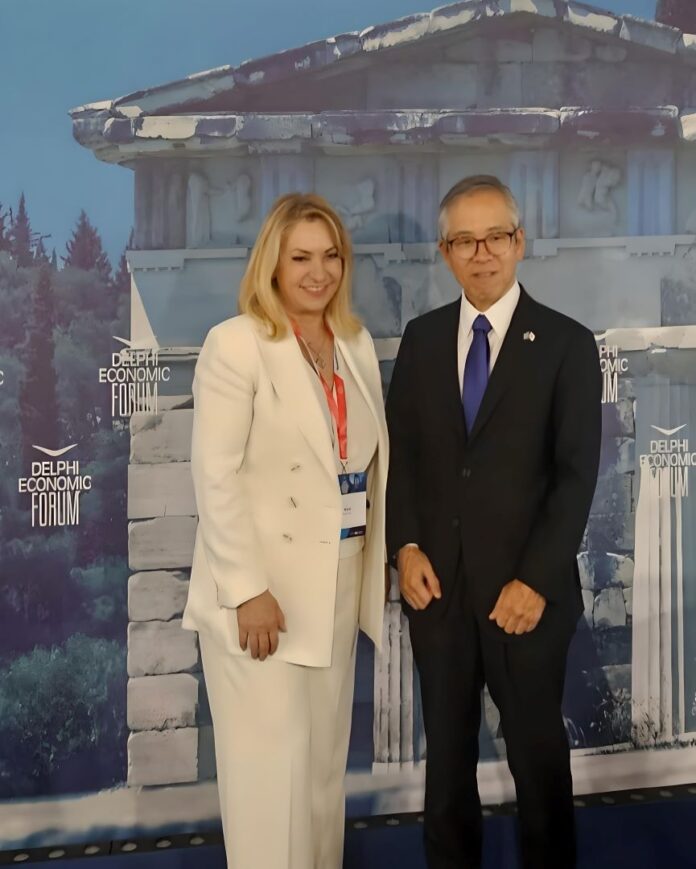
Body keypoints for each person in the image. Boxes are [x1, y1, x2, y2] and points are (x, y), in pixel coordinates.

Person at [386, 175, 602, 869]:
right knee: (447, 774)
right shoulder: (420, 341)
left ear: (520, 242)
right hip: (439, 597)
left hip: (526, 600)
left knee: (539, 771)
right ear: (445, 251)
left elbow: (575, 477)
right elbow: (402, 460)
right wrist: (404, 546)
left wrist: (535, 580)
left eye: (496, 237)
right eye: (465, 240)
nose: (482, 254)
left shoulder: (567, 343)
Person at [182, 192, 388, 869]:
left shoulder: (354, 342)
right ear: (271, 263)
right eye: (301, 257)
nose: (318, 272)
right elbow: (215, 476)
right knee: (271, 787)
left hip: (337, 584)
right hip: (263, 599)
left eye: (331, 256)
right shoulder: (236, 344)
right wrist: (246, 590)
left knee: (321, 784)